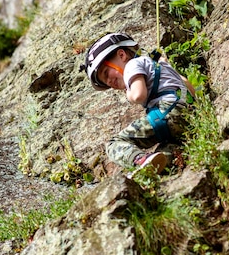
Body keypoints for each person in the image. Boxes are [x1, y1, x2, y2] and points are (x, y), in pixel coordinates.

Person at [81, 32, 196, 174]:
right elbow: (188, 86)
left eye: (106, 73)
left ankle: (139, 160)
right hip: (188, 116)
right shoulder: (160, 65)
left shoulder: (131, 65)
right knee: (167, 146)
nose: (109, 82)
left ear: (122, 55)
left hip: (167, 114)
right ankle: (161, 165)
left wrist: (129, 94)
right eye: (106, 83)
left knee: (113, 143)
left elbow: (139, 95)